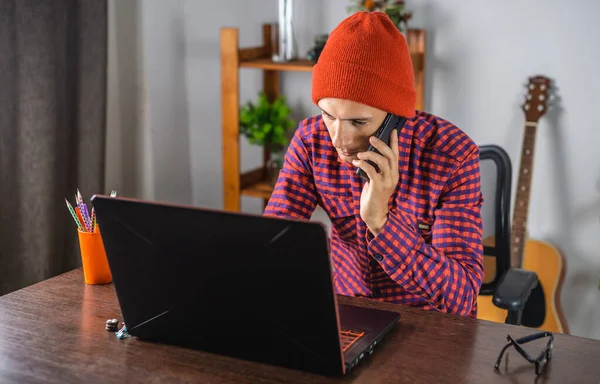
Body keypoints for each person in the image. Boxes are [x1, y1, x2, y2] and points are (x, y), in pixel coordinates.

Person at [263, 11, 484, 318]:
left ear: (396, 117)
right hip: (345, 309)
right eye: (329, 115)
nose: (339, 139)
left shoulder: (452, 157)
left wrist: (381, 221)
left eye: (358, 122)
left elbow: (460, 298)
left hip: (427, 323)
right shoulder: (311, 139)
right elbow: (275, 235)